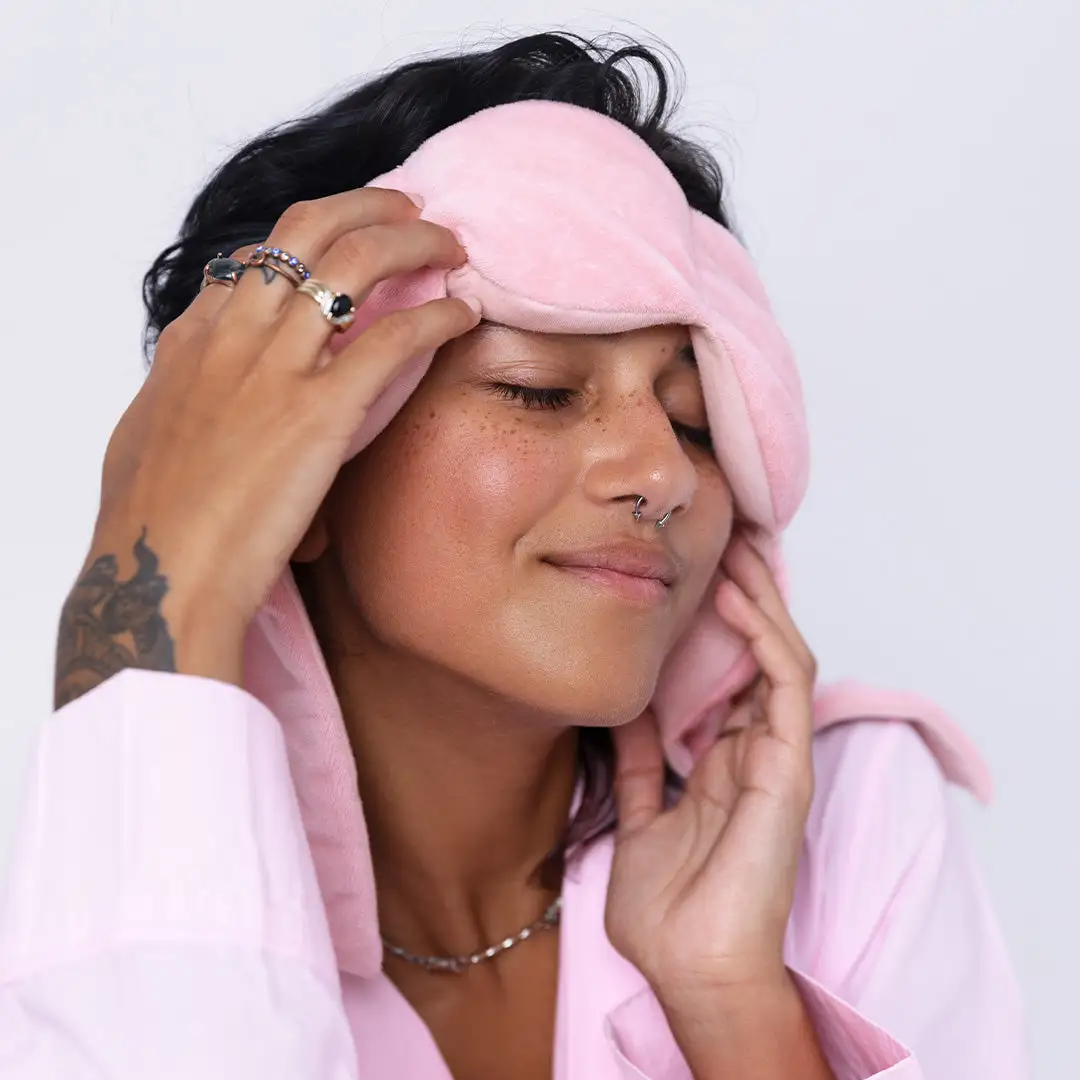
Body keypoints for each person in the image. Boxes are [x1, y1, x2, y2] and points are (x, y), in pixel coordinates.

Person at [0, 31, 1027, 1080]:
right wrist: (152, 599)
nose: (664, 473)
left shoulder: (845, 820)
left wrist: (735, 1005)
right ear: (299, 479)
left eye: (695, 420)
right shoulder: (81, 924)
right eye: (538, 390)